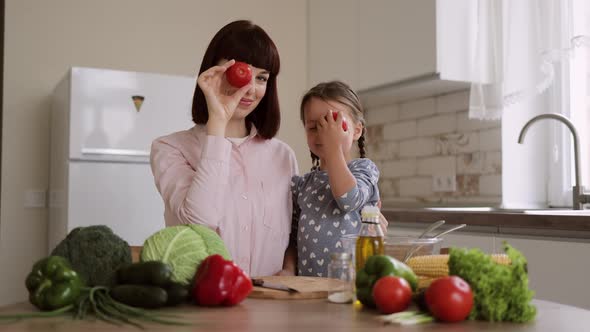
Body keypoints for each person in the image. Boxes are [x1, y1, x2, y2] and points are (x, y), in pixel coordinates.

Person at [150, 20, 298, 277]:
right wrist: (217, 121)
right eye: (242, 72)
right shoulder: (170, 148)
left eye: (262, 77)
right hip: (200, 305)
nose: (251, 89)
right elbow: (199, 223)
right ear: (213, 72)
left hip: (270, 306)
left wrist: (289, 270)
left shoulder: (283, 156)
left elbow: (295, 231)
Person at [291, 81, 380, 277]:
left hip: (353, 286)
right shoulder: (302, 184)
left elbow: (348, 199)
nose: (324, 133)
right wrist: (288, 270)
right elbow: (292, 236)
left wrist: (333, 148)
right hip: (309, 287)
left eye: (333, 125)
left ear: (357, 130)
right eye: (314, 127)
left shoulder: (364, 170)